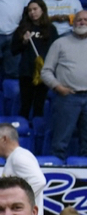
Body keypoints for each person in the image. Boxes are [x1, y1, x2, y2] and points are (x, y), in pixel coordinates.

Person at [41, 10, 87, 160]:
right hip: (67, 98)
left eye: (86, 20)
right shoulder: (60, 43)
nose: (82, 22)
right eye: (79, 19)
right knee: (60, 143)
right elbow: (46, 71)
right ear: (73, 23)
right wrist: (58, 87)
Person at [12, 0, 55, 120]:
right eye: (30, 10)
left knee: (39, 106)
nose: (32, 12)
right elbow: (13, 50)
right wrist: (24, 41)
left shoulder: (51, 29)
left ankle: (37, 132)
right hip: (26, 72)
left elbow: (56, 50)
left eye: (35, 9)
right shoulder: (22, 29)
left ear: (42, 9)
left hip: (44, 72)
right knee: (25, 105)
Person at [0, 122, 46, 197]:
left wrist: (17, 202)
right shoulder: (15, 157)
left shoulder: (19, 157)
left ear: (4, 139)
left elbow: (38, 181)